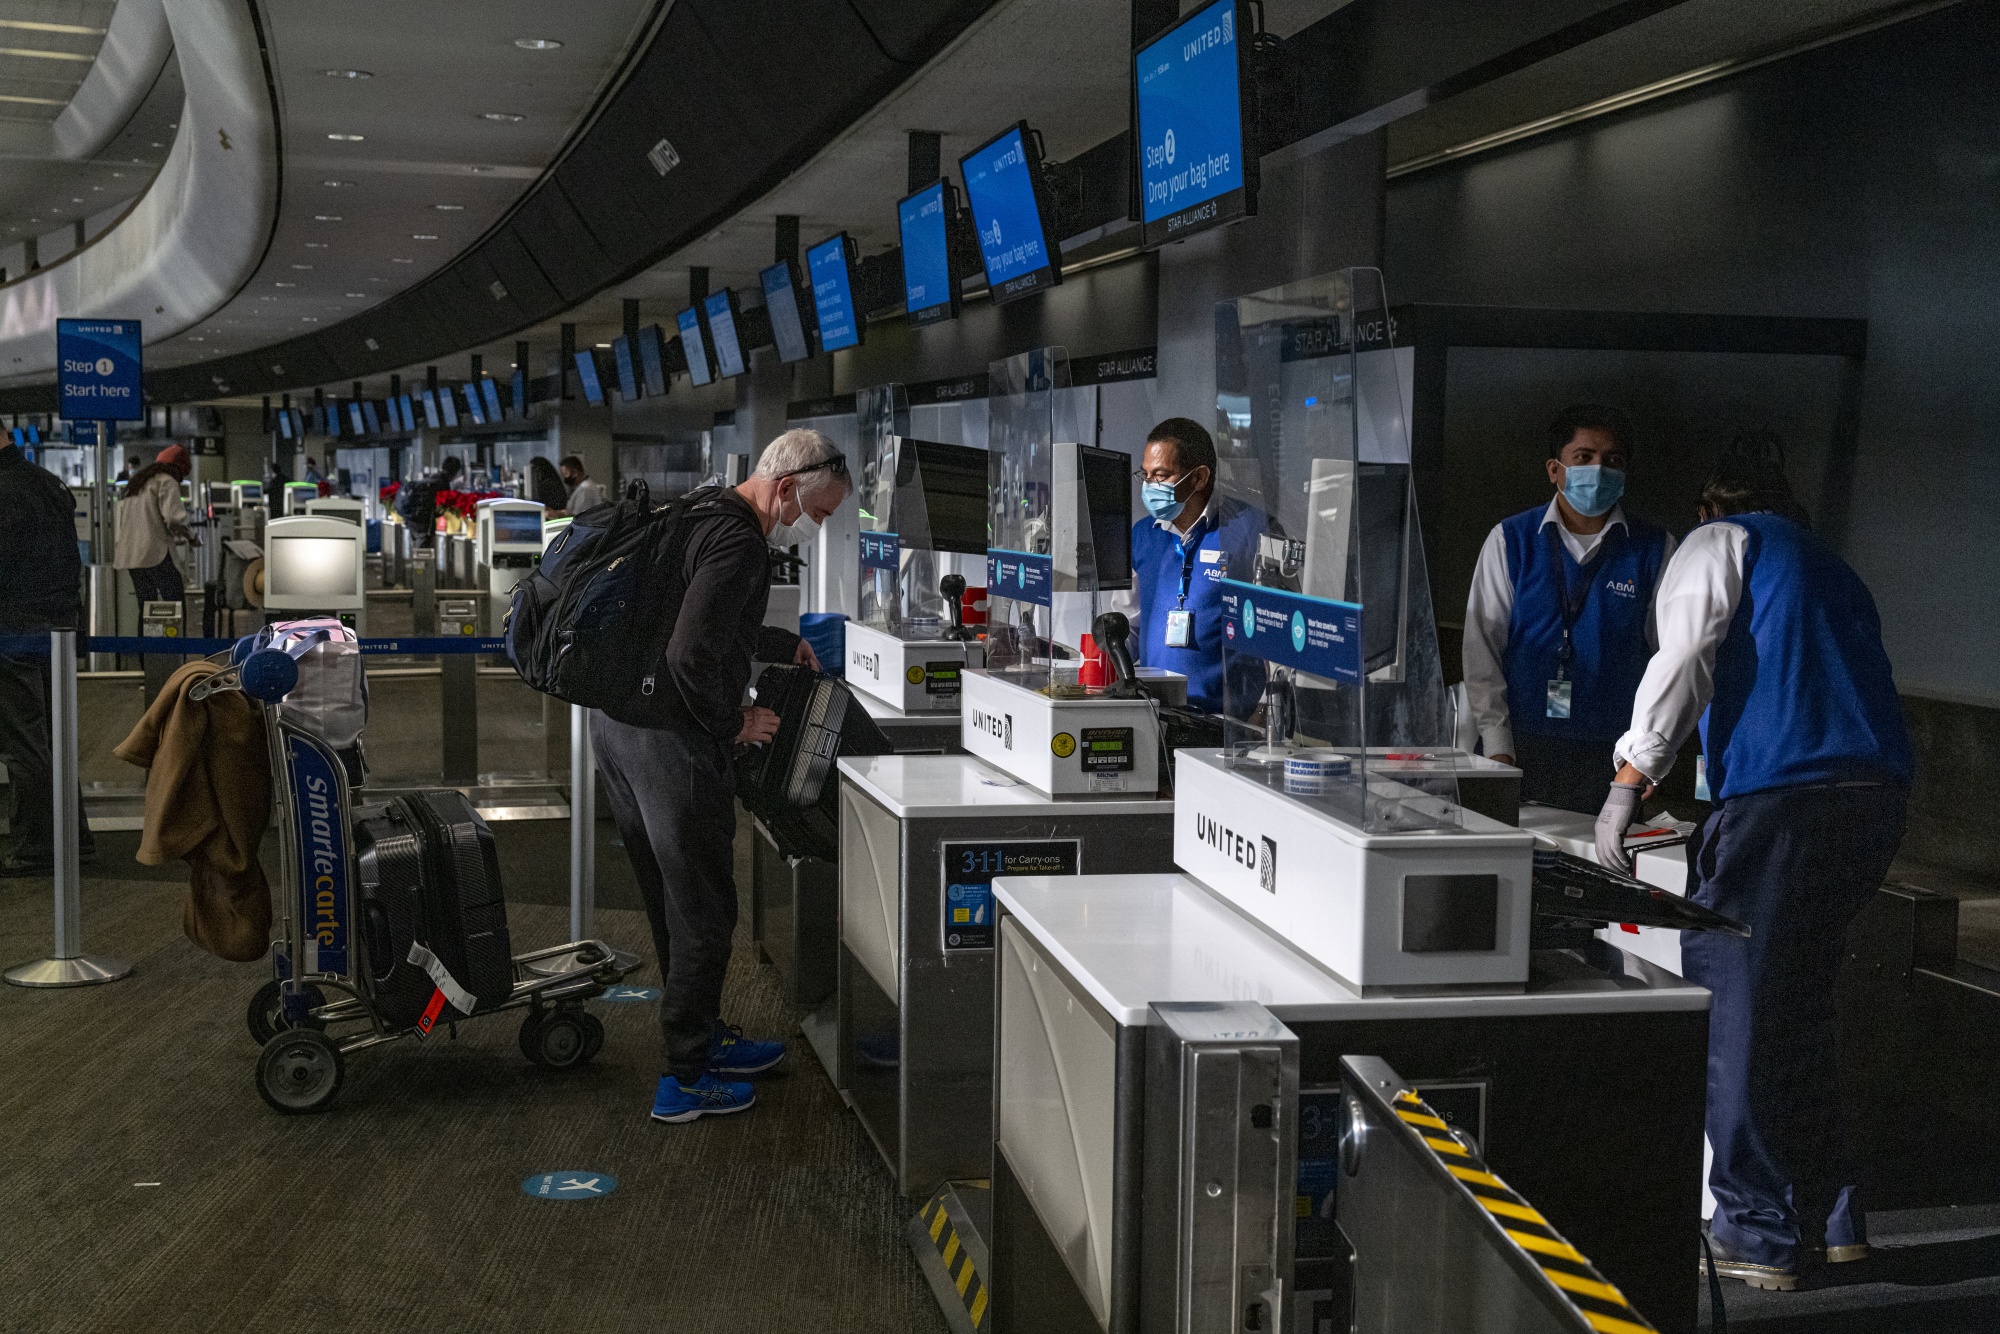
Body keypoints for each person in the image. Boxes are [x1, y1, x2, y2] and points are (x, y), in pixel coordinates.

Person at [1596, 438, 1911, 1291]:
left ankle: (1756, 1230)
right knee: (1797, 1012)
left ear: (1711, 506)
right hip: (1873, 799)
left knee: (1735, 1014)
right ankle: (1832, 1216)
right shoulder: (1833, 569)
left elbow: (1685, 659)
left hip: (1785, 803)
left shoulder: (1717, 541)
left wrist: (1631, 778)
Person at [590, 428, 847, 1124]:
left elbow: (683, 621)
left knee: (674, 899)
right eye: (817, 512)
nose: (814, 528)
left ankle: (697, 1039)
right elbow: (689, 655)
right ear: (788, 486)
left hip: (617, 730)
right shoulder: (740, 542)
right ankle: (684, 1078)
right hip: (668, 743)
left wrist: (775, 644)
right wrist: (735, 724)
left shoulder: (700, 511)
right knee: (706, 908)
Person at [1462, 405, 1675, 812]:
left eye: (1612, 460)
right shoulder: (1511, 540)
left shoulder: (1655, 548)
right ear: (1554, 469)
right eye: (1584, 457)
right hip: (1517, 747)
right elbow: (1480, 651)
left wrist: (1643, 759)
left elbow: (1671, 659)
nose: (1599, 469)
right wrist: (1497, 747)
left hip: (1611, 757)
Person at [1114, 417, 1267, 714]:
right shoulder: (1144, 535)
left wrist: (1265, 708)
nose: (1149, 486)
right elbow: (1129, 624)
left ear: (1199, 478)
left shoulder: (1250, 530)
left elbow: (1275, 631)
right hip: (1153, 712)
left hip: (1226, 722)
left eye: (1160, 476)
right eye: (1144, 475)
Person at [0, 433, 91, 875]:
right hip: (57, 628)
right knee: (55, 738)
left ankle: (36, 846)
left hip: (13, 630)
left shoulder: (6, 490)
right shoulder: (47, 483)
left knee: (23, 742)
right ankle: (75, 840)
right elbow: (66, 561)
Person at [114, 444, 195, 605]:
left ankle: (146, 631)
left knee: (146, 609)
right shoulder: (166, 480)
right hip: (155, 554)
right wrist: (192, 536)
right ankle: (173, 631)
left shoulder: (139, 482)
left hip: (132, 555)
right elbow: (174, 518)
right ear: (178, 468)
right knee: (174, 605)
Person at [395, 455, 461, 549]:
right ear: (455, 472)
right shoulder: (442, 484)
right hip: (425, 524)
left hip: (413, 521)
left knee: (417, 553)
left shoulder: (431, 478)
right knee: (424, 553)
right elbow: (440, 506)